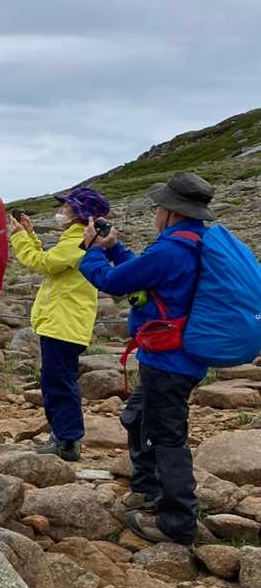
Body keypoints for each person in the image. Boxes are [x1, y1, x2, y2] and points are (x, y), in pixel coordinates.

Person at [79, 173, 214, 546]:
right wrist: (115, 249)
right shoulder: (193, 242)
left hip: (168, 360)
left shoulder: (172, 249)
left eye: (158, 206)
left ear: (172, 211)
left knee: (166, 435)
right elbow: (144, 274)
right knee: (140, 417)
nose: (155, 212)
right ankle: (148, 490)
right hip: (181, 355)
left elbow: (113, 282)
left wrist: (93, 250)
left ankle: (177, 521)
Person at [8, 187, 109, 461]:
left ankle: (66, 440)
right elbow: (50, 261)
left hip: (64, 323)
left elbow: (42, 263)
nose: (61, 212)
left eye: (66, 207)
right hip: (63, 323)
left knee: (59, 382)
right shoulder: (76, 239)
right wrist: (30, 235)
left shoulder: (78, 240)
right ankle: (63, 436)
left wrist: (19, 237)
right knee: (56, 379)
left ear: (78, 214)